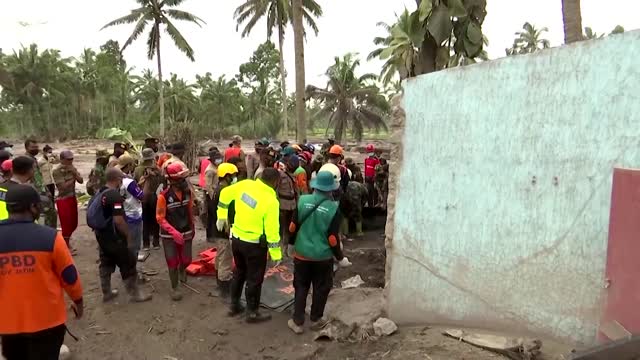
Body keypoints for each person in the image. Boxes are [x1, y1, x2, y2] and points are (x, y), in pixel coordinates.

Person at [0, 184, 84, 360]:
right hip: (48, 321)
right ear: (32, 207)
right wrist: (78, 300)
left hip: (7, 323)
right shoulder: (50, 237)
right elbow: (69, 276)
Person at [286, 171, 352, 334]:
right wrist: (340, 258)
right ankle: (316, 318)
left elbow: (293, 227)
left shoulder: (302, 201)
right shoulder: (333, 209)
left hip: (302, 254)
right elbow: (332, 238)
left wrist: (290, 245)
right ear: (331, 189)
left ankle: (297, 322)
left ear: (315, 186)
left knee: (301, 287)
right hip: (323, 257)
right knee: (321, 288)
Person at [217, 168, 282, 323]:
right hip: (254, 246)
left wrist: (221, 215)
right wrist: (276, 254)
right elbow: (272, 230)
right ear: (275, 183)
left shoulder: (245, 185)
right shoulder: (271, 201)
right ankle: (252, 313)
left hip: (237, 240)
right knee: (254, 279)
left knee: (239, 272)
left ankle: (234, 305)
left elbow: (225, 194)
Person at [93, 168, 152, 303]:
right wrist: (128, 235)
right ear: (118, 179)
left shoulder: (100, 192)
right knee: (128, 263)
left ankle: (106, 292)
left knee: (106, 262)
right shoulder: (114, 196)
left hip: (102, 234)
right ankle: (135, 294)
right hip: (115, 236)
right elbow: (119, 221)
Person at [156, 163, 195, 301]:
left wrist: (192, 227)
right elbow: (160, 218)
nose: (184, 181)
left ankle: (182, 269)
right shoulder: (163, 197)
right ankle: (175, 287)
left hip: (186, 231)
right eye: (181, 179)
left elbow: (190, 210)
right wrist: (173, 232)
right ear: (172, 181)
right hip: (169, 236)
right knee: (172, 262)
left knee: (187, 260)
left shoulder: (187, 192)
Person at [208, 163, 238, 298]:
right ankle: (224, 288)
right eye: (233, 175)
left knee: (220, 257)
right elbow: (223, 213)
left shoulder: (219, 189)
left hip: (218, 229)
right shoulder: (224, 191)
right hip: (223, 230)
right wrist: (228, 228)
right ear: (227, 176)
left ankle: (220, 282)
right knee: (225, 258)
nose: (235, 177)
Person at [53, 150, 83, 251]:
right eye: (68, 159)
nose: (70, 161)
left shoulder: (72, 168)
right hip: (63, 199)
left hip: (72, 197)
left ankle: (67, 243)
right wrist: (73, 179)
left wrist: (74, 173)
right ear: (62, 160)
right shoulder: (57, 171)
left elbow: (81, 180)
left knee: (74, 223)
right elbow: (62, 187)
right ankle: (65, 246)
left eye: (71, 159)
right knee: (66, 224)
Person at [116, 155, 144, 260]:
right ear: (129, 165)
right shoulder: (129, 181)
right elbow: (141, 196)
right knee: (134, 243)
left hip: (121, 213)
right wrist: (140, 186)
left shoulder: (116, 178)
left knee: (124, 241)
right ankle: (132, 270)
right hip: (133, 214)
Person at [135, 148, 163, 250]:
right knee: (156, 220)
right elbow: (162, 181)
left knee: (145, 220)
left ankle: (146, 244)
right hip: (154, 197)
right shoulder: (157, 169)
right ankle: (156, 242)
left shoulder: (138, 169)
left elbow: (135, 182)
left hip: (142, 197)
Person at [277, 154, 300, 256]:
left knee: (288, 230)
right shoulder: (280, 175)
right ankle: (279, 252)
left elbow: (296, 192)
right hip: (282, 207)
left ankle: (285, 250)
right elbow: (276, 191)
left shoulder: (294, 176)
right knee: (280, 230)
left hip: (292, 207)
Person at [204, 151, 223, 242]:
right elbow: (208, 186)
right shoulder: (210, 170)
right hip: (212, 195)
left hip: (216, 194)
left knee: (215, 215)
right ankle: (211, 236)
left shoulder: (217, 168)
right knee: (212, 216)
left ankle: (214, 235)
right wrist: (213, 198)